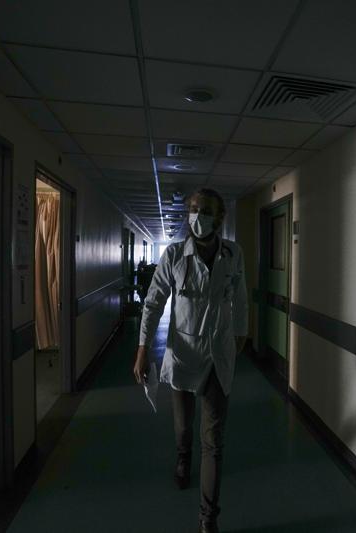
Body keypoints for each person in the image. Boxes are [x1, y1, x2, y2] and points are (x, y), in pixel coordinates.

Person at [133, 188, 248, 533]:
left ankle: (207, 518)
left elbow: (240, 298)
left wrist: (241, 334)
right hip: (182, 355)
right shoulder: (172, 256)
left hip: (217, 355)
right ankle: (183, 458)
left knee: (213, 441)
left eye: (207, 210)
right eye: (195, 210)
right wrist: (142, 349)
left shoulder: (233, 253)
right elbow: (153, 302)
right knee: (184, 429)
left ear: (221, 217)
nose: (199, 217)